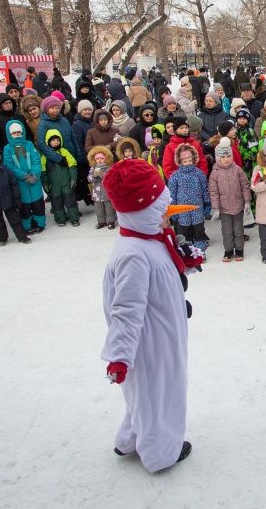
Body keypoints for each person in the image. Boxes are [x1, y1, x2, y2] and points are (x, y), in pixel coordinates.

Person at [100, 158, 192, 473]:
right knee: (158, 395)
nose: (167, 214)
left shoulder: (148, 238)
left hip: (162, 332)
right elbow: (126, 310)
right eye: (160, 208)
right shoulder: (133, 254)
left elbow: (159, 284)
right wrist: (120, 357)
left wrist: (177, 303)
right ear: (140, 209)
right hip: (149, 344)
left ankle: (129, 438)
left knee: (146, 395)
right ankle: (161, 452)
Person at [209, 139, 251, 262]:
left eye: (228, 156)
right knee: (227, 231)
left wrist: (247, 201)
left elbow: (245, 185)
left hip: (238, 206)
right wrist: (216, 208)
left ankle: (239, 250)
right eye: (223, 156)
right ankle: (228, 250)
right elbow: (213, 192)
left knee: (238, 230)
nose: (226, 159)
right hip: (224, 208)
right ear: (218, 158)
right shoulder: (215, 173)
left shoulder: (237, 169)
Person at [3, 120, 47, 234]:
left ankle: (39, 223)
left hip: (34, 180)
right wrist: (23, 175)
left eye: (19, 132)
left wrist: (34, 174)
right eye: (14, 133)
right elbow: (9, 166)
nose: (17, 135)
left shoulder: (29, 144)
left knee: (37, 203)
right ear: (10, 134)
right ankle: (27, 225)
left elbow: (36, 161)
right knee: (25, 205)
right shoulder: (7, 148)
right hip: (21, 182)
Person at [166, 144, 211, 250]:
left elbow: (205, 189)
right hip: (182, 208)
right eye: (185, 162)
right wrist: (173, 210)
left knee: (198, 227)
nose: (187, 164)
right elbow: (172, 194)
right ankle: (187, 248)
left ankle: (200, 246)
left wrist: (207, 203)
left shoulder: (199, 174)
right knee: (184, 228)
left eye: (190, 161)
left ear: (194, 159)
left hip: (197, 207)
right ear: (180, 162)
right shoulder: (175, 176)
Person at [42, 129, 80, 227]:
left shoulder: (64, 152)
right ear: (48, 142)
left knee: (70, 201)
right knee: (56, 202)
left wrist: (73, 179)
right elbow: (43, 171)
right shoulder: (46, 155)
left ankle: (74, 218)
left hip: (66, 181)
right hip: (54, 185)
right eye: (53, 140)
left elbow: (72, 165)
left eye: (57, 140)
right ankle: (60, 219)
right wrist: (45, 184)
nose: (55, 142)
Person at [88, 146, 117, 230]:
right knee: (98, 209)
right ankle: (101, 221)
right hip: (97, 194)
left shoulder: (109, 167)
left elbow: (111, 178)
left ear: (106, 158)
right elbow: (89, 179)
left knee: (109, 208)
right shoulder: (93, 168)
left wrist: (102, 175)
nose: (99, 160)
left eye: (102, 158)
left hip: (107, 193)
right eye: (97, 159)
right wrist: (95, 176)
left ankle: (111, 221)